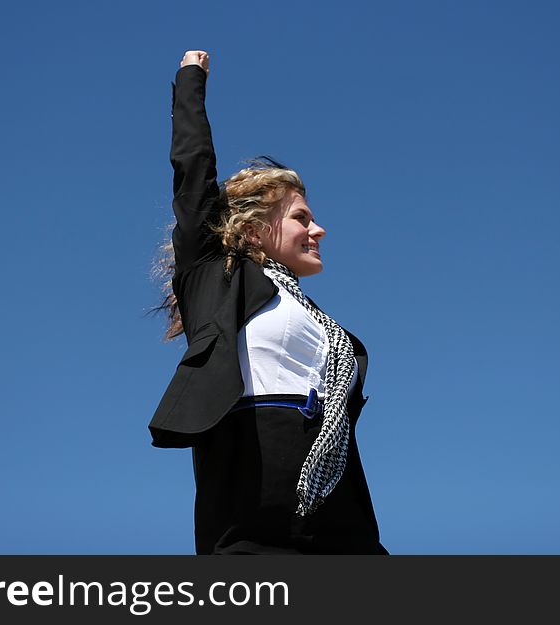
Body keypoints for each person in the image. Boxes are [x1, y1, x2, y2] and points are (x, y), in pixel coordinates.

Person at [150, 50, 387, 554]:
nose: (318, 229)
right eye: (302, 217)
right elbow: (193, 174)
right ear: (255, 228)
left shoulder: (316, 318)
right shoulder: (214, 280)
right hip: (252, 480)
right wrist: (191, 81)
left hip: (337, 489)